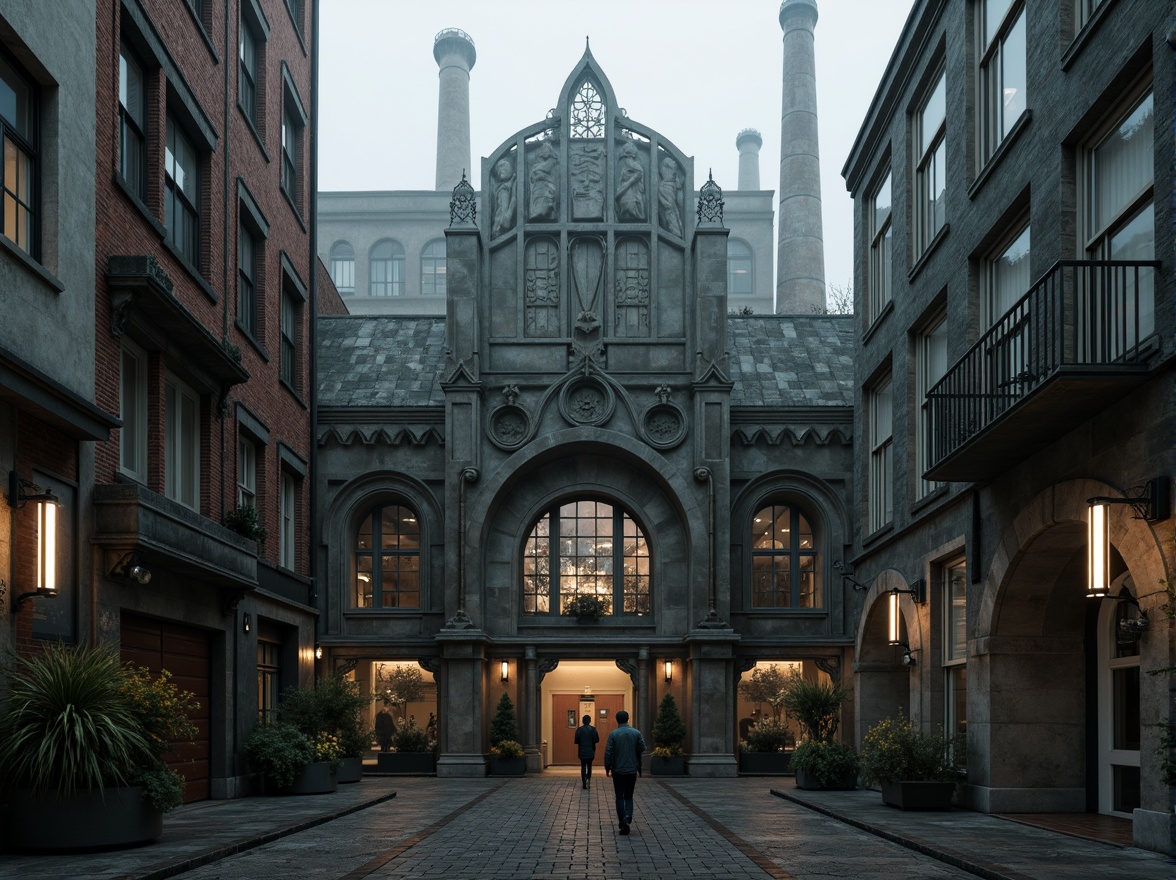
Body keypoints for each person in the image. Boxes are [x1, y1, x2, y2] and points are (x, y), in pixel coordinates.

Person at [603, 709, 645, 835]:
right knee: (629, 796)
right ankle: (628, 816)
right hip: (631, 769)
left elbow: (608, 752)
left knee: (619, 796)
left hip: (618, 770)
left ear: (617, 720)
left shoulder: (613, 734)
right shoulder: (636, 733)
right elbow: (642, 747)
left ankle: (622, 819)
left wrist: (607, 767)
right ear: (628, 719)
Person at [574, 714, 600, 790]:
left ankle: (583, 782)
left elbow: (576, 741)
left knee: (583, 766)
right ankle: (588, 779)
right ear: (589, 721)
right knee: (589, 766)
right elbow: (597, 740)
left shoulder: (579, 730)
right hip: (591, 750)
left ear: (583, 721)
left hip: (582, 750)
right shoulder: (593, 729)